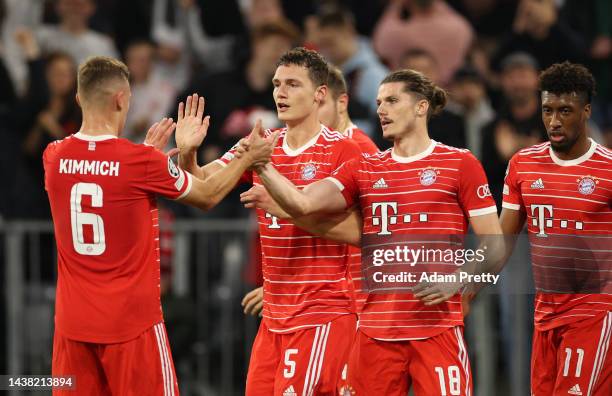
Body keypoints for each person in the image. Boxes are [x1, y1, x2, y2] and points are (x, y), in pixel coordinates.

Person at [242, 69, 502, 395]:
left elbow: (496, 246)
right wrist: (263, 166)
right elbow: (305, 203)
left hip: (435, 330)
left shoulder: (459, 164)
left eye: (392, 100)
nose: (381, 109)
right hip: (374, 335)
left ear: (421, 107)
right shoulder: (363, 167)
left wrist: (460, 278)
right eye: (379, 102)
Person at [43, 56, 275, 395]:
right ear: (121, 99)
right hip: (131, 327)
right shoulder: (139, 162)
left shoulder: (54, 155)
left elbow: (103, 176)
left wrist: (146, 158)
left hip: (72, 327)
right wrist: (248, 157)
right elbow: (208, 194)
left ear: (78, 99)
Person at [176, 47, 362, 395]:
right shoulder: (261, 144)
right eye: (277, 84)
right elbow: (203, 190)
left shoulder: (344, 150)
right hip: (275, 317)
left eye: (293, 84)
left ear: (320, 93)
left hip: (322, 313)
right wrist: (188, 153)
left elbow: (358, 230)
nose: (280, 92)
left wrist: (267, 175)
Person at [500, 62, 611, 396]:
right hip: (545, 315)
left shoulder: (607, 169)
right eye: (547, 110)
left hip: (593, 314)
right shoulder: (522, 164)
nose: (554, 121)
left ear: (586, 111)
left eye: (565, 110)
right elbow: (501, 241)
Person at [241, 64, 378, 318]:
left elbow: (370, 233)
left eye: (321, 103)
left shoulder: (360, 150)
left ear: (340, 103)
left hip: (350, 296)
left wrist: (286, 209)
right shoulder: (308, 145)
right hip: (312, 292)